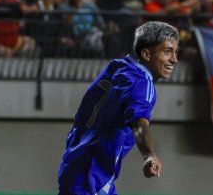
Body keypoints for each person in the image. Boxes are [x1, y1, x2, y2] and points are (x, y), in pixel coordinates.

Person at [58, 21, 179, 194]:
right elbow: (139, 124)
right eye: (167, 51)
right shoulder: (142, 82)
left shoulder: (118, 66)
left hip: (76, 164)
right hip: (92, 175)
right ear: (146, 54)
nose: (174, 59)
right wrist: (149, 155)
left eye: (175, 52)